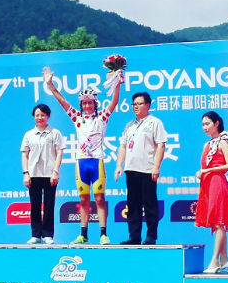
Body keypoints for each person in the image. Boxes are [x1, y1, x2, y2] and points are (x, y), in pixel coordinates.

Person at [43, 67, 124, 245]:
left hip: (97, 163)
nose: (87, 106)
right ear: (81, 105)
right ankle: (83, 235)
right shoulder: (77, 118)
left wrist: (117, 84)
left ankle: (103, 234)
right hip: (81, 163)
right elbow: (61, 100)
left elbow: (115, 100)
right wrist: (50, 84)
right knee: (83, 199)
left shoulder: (102, 117)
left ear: (95, 104)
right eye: (84, 103)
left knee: (100, 198)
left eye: (90, 103)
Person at [115, 92, 167, 245]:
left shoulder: (154, 122)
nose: (135, 107)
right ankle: (134, 237)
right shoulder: (129, 125)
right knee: (132, 205)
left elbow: (161, 145)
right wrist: (119, 165)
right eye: (134, 104)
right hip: (131, 170)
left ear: (148, 105)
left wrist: (156, 167)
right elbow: (123, 146)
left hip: (147, 170)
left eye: (139, 104)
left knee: (150, 204)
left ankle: (151, 236)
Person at [195, 111, 228, 274]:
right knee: (216, 223)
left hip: (218, 183)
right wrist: (202, 172)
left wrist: (208, 170)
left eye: (207, 124)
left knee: (219, 222)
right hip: (208, 185)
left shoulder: (223, 142)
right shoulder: (207, 145)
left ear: (216, 124)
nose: (205, 127)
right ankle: (224, 259)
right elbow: (204, 167)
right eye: (203, 124)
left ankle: (214, 261)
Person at [21, 103, 65, 244]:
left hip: (49, 174)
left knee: (49, 204)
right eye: (37, 115)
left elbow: (59, 153)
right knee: (34, 205)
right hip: (33, 174)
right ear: (34, 117)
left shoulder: (55, 133)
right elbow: (25, 155)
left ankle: (47, 234)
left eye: (43, 115)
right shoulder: (29, 134)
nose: (40, 117)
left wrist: (56, 171)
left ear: (48, 116)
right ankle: (35, 234)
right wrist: (26, 173)